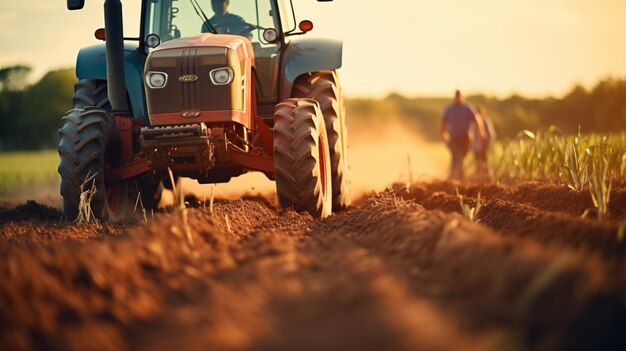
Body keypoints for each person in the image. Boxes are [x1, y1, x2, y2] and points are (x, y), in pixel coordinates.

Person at [440, 90, 486, 181]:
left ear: (462, 97)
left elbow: (477, 120)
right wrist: (443, 134)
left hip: (465, 138)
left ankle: (454, 175)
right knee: (457, 155)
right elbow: (443, 123)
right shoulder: (449, 109)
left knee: (460, 156)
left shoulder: (467, 108)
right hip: (453, 137)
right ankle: (458, 176)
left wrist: (480, 132)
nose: (457, 99)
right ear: (454, 97)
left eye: (459, 97)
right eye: (456, 97)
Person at [471, 106, 496, 178]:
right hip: (476, 146)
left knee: (485, 161)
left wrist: (487, 145)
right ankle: (479, 176)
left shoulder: (486, 121)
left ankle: (487, 176)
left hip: (484, 146)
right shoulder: (473, 122)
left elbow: (490, 135)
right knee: (477, 162)